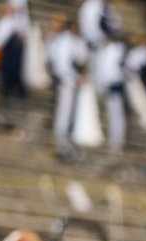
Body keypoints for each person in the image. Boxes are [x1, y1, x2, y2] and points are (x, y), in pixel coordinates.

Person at [46, 14, 87, 160]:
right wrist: (75, 77)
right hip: (66, 80)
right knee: (63, 112)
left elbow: (82, 58)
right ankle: (60, 142)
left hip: (71, 80)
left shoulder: (76, 41)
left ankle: (64, 141)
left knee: (68, 112)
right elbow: (62, 65)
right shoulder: (64, 41)